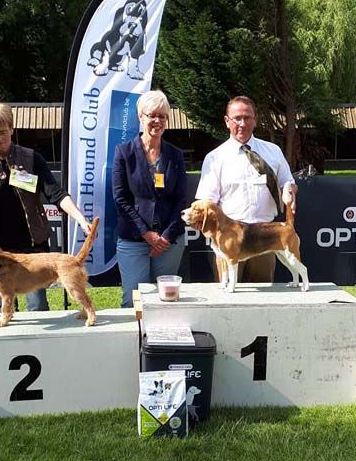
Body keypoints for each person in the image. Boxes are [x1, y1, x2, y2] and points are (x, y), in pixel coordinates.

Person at [0, 102, 93, 312]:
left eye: (3, 132)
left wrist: (80, 219)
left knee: (38, 306)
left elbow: (56, 194)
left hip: (32, 248)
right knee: (4, 309)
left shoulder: (32, 159)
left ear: (12, 129)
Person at [195, 95, 297, 282]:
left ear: (255, 119)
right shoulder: (215, 158)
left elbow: (287, 182)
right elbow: (206, 203)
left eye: (247, 118)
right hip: (229, 237)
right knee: (226, 298)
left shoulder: (273, 151)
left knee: (262, 300)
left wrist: (289, 190)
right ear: (227, 121)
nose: (242, 123)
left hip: (264, 235)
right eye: (237, 118)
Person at [112, 90, 188, 308]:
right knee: (133, 301)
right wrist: (146, 233)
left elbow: (181, 199)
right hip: (133, 240)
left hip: (169, 242)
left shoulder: (175, 155)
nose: (157, 120)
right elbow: (120, 198)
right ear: (140, 117)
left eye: (162, 116)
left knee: (165, 301)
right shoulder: (124, 153)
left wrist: (164, 237)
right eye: (152, 115)